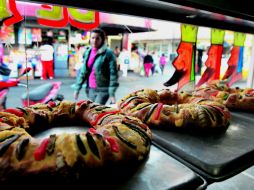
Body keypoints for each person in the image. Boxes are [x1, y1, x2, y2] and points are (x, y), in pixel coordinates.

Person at [73, 28, 119, 105]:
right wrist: (77, 89)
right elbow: (83, 72)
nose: (94, 40)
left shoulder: (108, 53)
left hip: (103, 89)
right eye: (93, 38)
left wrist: (111, 93)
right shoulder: (88, 52)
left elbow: (113, 74)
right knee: (91, 111)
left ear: (102, 39)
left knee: (96, 110)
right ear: (90, 39)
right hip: (90, 89)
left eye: (97, 38)